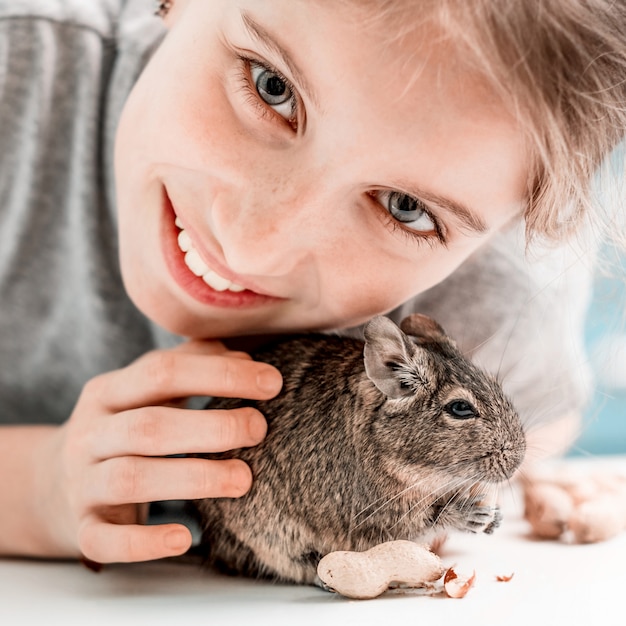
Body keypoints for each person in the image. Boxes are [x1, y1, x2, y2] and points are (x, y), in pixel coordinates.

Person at [0, 0, 624, 566]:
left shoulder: (494, 297)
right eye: (271, 87)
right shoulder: (17, 77)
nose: (253, 246)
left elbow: (529, 434)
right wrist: (36, 487)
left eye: (405, 206)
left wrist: (503, 485)